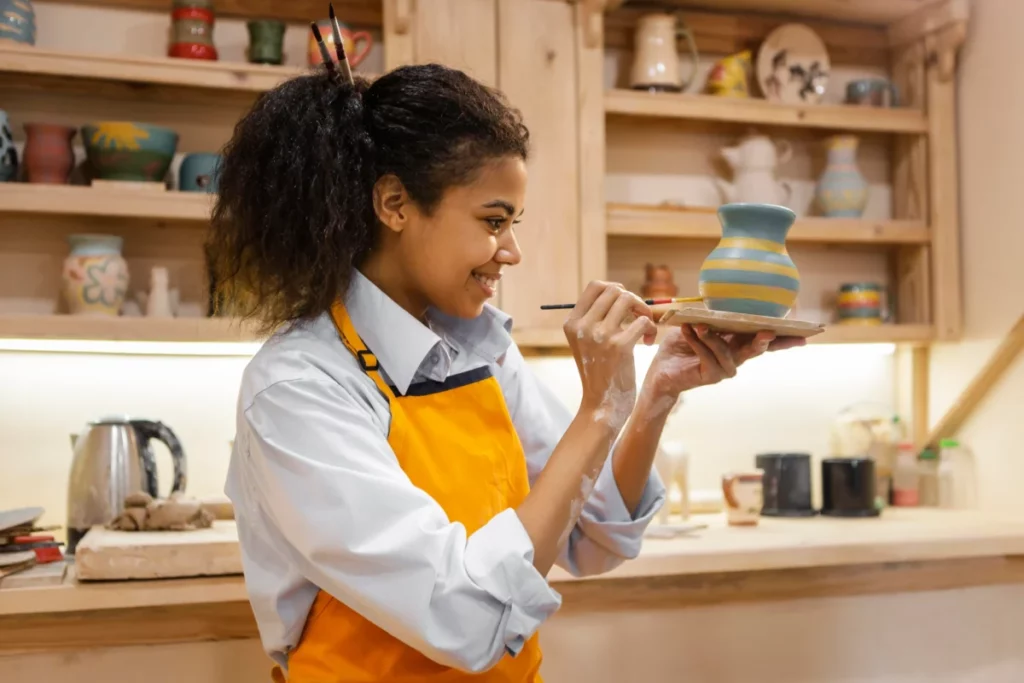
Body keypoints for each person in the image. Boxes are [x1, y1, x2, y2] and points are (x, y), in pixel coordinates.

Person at [209, 22, 804, 683]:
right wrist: (598, 411)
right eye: (493, 222)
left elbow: (590, 534)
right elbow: (462, 618)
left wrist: (653, 393)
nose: (512, 252)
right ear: (395, 203)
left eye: (513, 224)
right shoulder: (298, 386)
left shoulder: (480, 347)